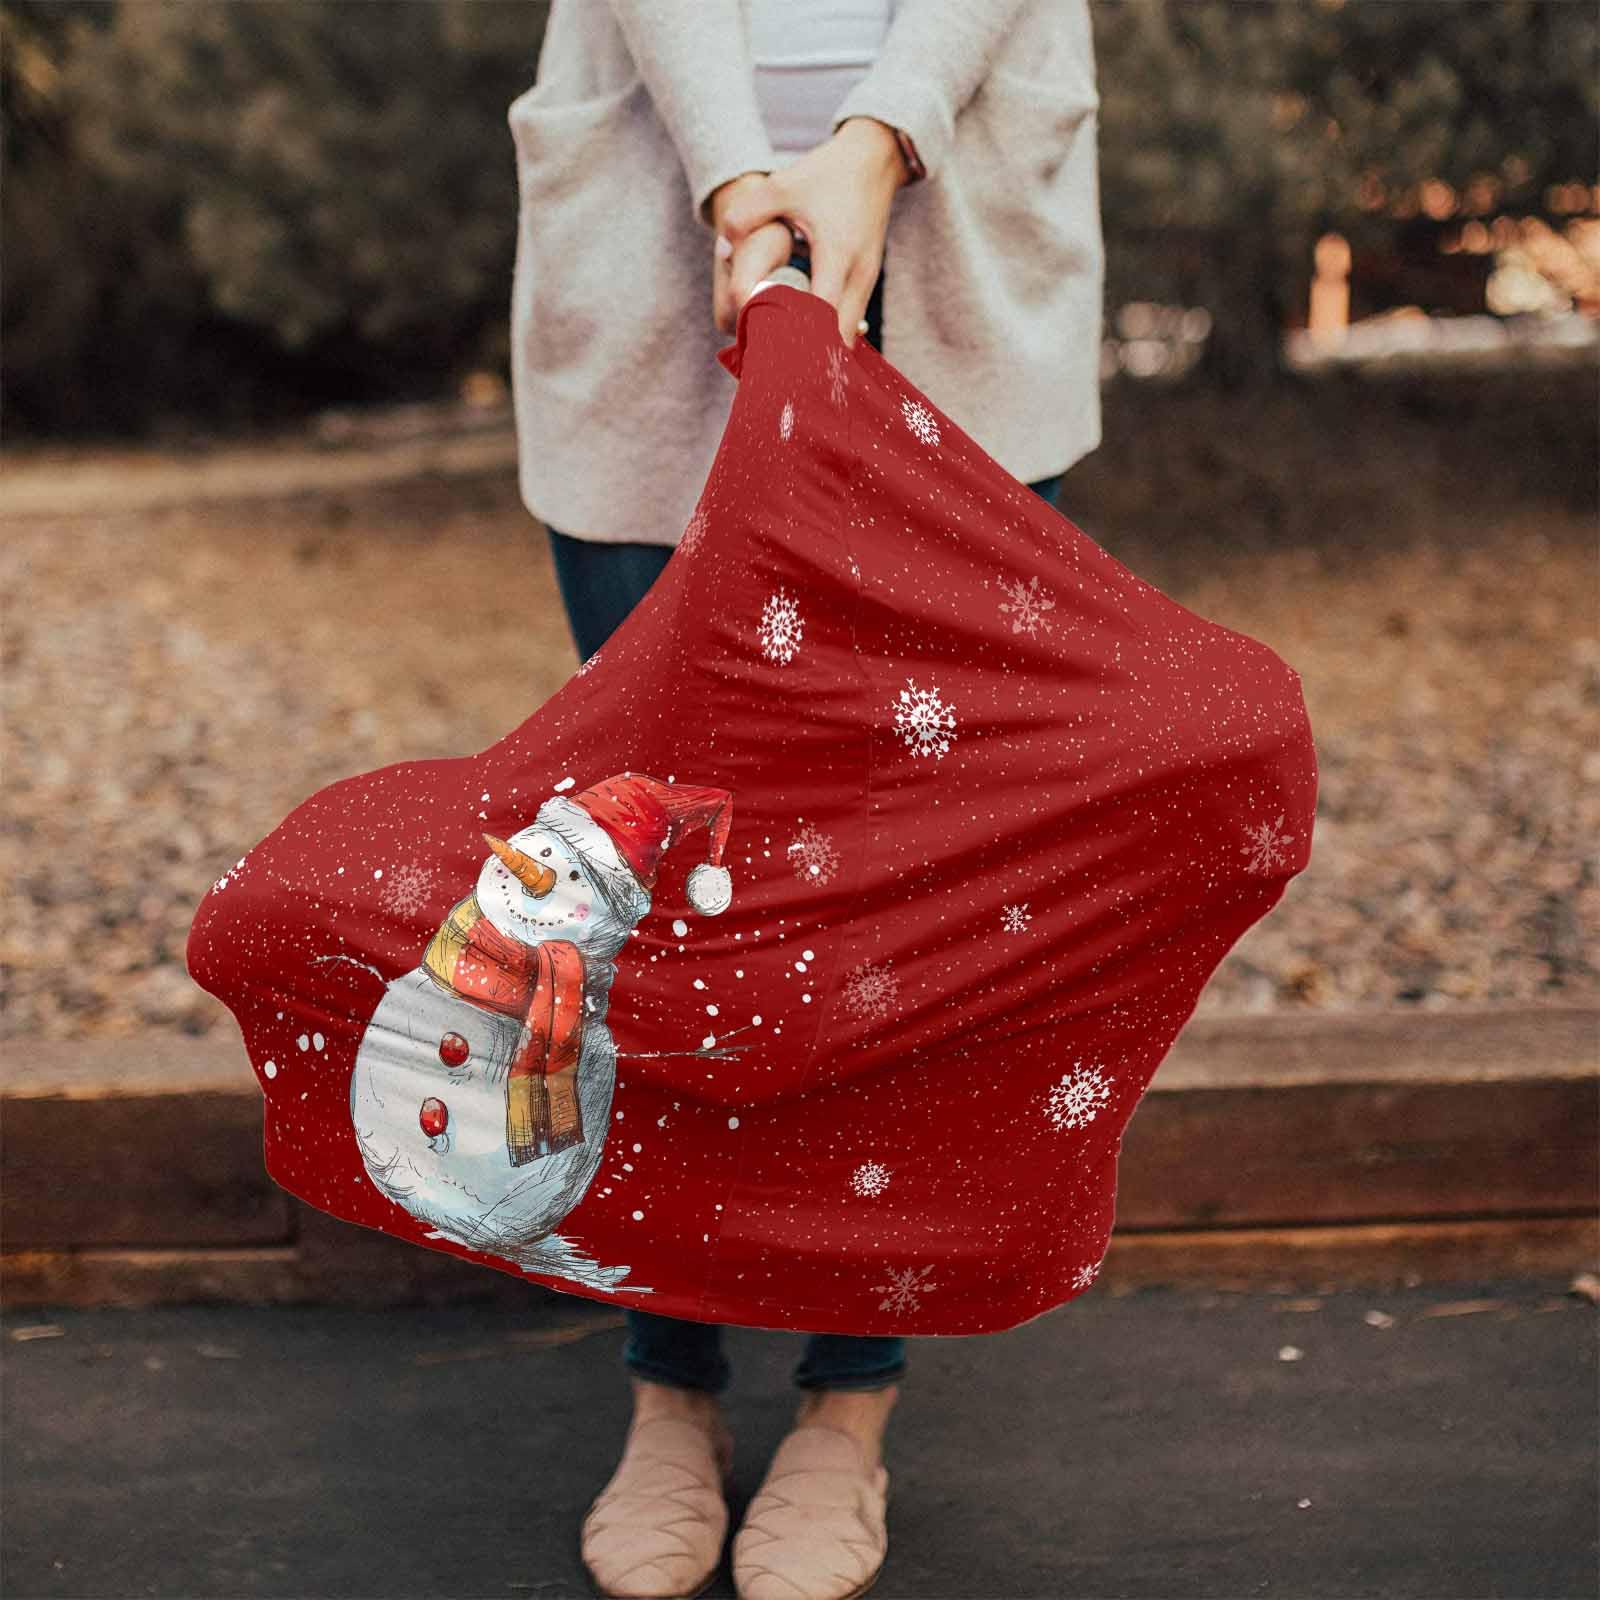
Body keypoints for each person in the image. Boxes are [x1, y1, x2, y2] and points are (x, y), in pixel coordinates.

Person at [506, 4, 1103, 1596]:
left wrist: (877, 136)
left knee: (907, 884)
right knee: (652, 872)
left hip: (958, 225)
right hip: (655, 217)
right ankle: (670, 1383)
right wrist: (733, 178)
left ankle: (851, 1400)